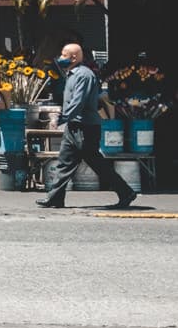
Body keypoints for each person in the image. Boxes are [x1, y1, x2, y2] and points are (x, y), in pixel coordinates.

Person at [36, 43, 135, 210]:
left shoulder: (84, 75)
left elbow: (78, 102)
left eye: (64, 55)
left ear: (74, 58)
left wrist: (62, 118)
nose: (60, 58)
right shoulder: (72, 74)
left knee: (96, 163)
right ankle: (55, 198)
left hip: (85, 127)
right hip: (74, 126)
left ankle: (125, 191)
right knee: (64, 162)